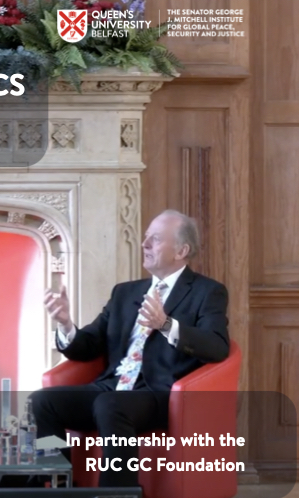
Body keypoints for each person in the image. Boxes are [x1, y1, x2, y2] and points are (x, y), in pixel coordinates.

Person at [34, 209, 230, 487]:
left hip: (161, 394)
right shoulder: (125, 292)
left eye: (156, 239)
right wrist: (66, 324)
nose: (144, 244)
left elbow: (218, 347)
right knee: (43, 401)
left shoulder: (207, 292)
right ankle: (56, 481)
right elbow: (89, 345)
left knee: (110, 404)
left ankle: (118, 493)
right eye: (146, 237)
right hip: (111, 388)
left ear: (181, 250)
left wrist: (166, 325)